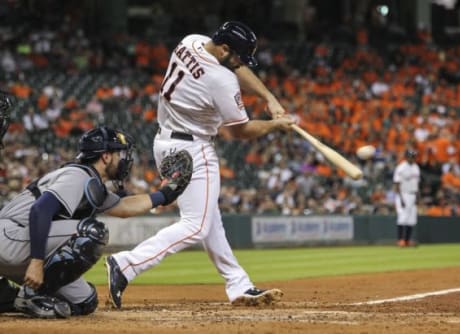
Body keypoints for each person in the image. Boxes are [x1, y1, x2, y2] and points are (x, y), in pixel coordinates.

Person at [106, 21, 295, 307]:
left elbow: (237, 67)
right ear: (224, 49)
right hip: (194, 149)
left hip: (165, 143)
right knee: (196, 226)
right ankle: (127, 264)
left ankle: (238, 284)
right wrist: (275, 125)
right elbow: (239, 132)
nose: (242, 64)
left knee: (210, 220)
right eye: (238, 56)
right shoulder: (222, 80)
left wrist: (269, 97)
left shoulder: (192, 40)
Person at [0, 126, 190, 318]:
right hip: (10, 237)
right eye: (120, 153)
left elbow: (124, 207)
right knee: (91, 232)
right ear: (106, 156)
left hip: (22, 247)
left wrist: (166, 194)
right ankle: (31, 294)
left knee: (85, 301)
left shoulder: (92, 183)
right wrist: (37, 261)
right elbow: (40, 210)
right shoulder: (78, 175)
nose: (124, 159)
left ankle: (7, 298)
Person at [393, 148, 421, 247]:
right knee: (403, 217)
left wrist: (418, 197)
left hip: (413, 194)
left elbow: (417, 184)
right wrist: (400, 199)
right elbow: (396, 184)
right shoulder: (401, 168)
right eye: (411, 156)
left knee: (412, 219)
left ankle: (407, 240)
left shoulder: (416, 167)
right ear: (406, 157)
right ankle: (400, 240)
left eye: (414, 156)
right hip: (403, 194)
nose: (413, 158)